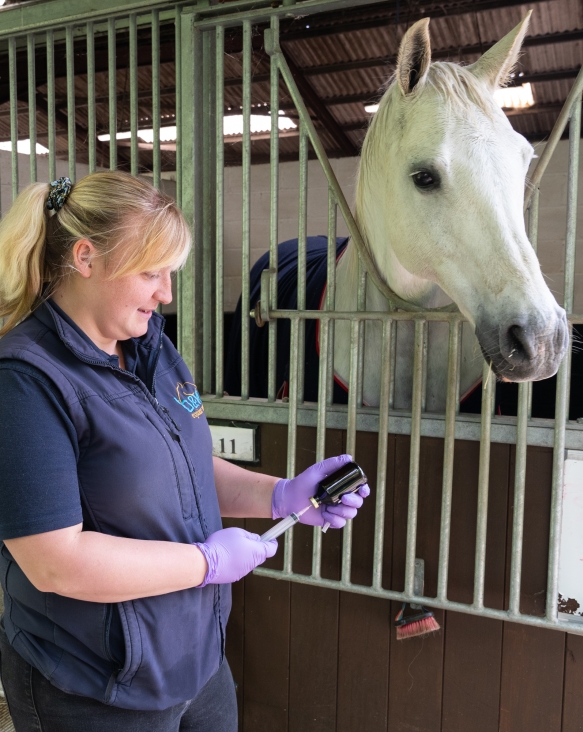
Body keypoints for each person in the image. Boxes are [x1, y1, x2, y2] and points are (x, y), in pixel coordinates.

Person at [0, 172, 370, 732]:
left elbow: (184, 467)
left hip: (194, 660)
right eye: (151, 272)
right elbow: (56, 562)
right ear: (85, 257)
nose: (166, 292)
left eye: (169, 273)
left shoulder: (150, 347)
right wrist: (207, 563)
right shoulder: (27, 380)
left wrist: (279, 495)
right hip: (92, 685)